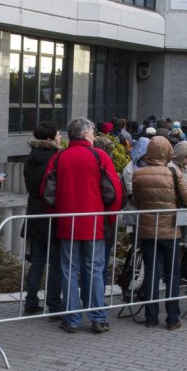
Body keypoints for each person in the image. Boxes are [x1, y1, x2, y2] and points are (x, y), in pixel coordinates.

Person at [42, 117, 123, 334]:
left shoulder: (59, 158)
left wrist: (57, 215)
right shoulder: (100, 156)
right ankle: (97, 317)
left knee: (69, 270)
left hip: (67, 223)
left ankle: (72, 318)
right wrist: (110, 217)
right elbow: (113, 192)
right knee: (95, 270)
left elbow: (47, 194)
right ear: (87, 134)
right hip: (94, 223)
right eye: (93, 133)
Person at [132, 136, 187, 329]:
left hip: (147, 229)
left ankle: (151, 316)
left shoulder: (139, 173)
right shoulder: (173, 173)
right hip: (171, 230)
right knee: (172, 273)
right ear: (168, 151)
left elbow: (136, 201)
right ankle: (172, 318)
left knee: (151, 272)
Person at [22, 122, 63, 316]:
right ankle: (54, 303)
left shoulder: (30, 157)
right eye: (57, 134)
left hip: (34, 210)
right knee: (55, 260)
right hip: (51, 212)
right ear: (49, 138)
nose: (60, 137)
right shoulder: (56, 158)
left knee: (37, 260)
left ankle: (31, 301)